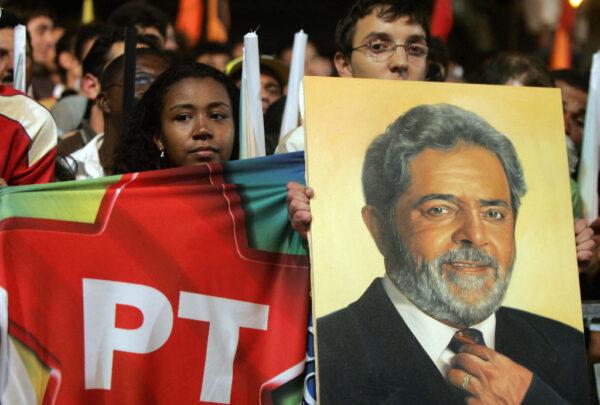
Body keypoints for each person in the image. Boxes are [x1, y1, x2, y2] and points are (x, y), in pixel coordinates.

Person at [316, 104, 588, 404]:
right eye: (440, 210)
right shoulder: (325, 349)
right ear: (379, 228)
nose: (475, 235)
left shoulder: (564, 345)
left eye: (494, 213)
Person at [112, 63, 239, 174]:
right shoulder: (124, 200)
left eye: (217, 116)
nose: (202, 130)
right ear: (158, 137)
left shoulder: (257, 198)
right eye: (183, 117)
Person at [69, 48, 170, 179]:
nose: (156, 89)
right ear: (105, 101)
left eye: (165, 83)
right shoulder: (73, 171)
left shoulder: (179, 170)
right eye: (142, 80)